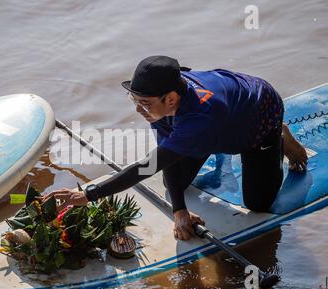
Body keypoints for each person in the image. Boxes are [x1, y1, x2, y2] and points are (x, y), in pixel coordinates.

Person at [42, 55, 308, 241]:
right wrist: (179, 211)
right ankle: (202, 144)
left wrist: (88, 195)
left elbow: (146, 168)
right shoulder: (165, 103)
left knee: (258, 203)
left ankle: (280, 135)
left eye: (144, 103)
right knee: (174, 185)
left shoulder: (199, 119)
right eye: (134, 100)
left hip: (259, 115)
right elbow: (162, 159)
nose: (139, 110)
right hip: (213, 121)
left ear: (170, 99)